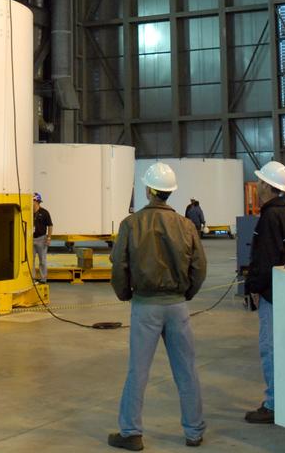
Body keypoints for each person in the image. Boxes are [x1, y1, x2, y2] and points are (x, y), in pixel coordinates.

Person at [107, 162, 207, 450]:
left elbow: (119, 266)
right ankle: (194, 432)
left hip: (145, 306)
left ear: (149, 190)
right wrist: (186, 294)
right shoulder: (186, 225)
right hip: (177, 306)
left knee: (138, 371)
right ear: (170, 192)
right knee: (186, 370)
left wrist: (125, 294)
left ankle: (131, 432)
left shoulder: (131, 224)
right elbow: (199, 267)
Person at [243, 160, 285, 425]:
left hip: (271, 294)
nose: (256, 186)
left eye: (259, 181)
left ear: (267, 186)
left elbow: (264, 258)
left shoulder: (269, 217)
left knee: (270, 348)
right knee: (283, 348)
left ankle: (274, 404)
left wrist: (253, 287)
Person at [32, 192, 53, 284]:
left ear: (36, 201)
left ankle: (43, 278)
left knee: (42, 260)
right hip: (30, 240)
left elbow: (50, 226)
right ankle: (32, 278)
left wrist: (49, 238)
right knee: (31, 260)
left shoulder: (44, 213)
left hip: (42, 239)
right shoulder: (28, 213)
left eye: (32, 200)